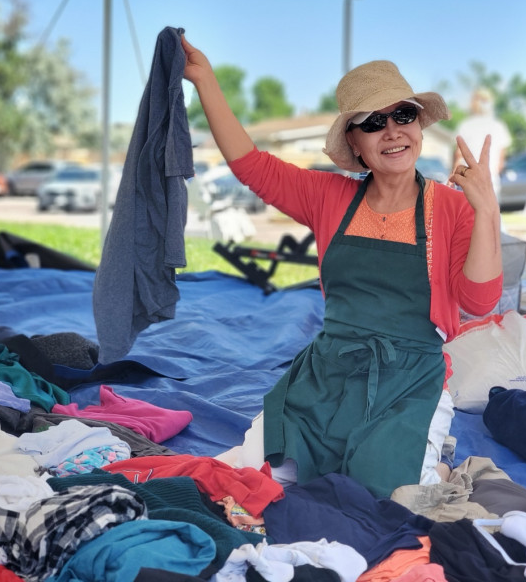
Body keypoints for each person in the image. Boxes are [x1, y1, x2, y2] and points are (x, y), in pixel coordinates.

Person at [182, 35, 503, 499]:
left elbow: (479, 301)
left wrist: (487, 211)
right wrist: (205, 80)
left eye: (403, 115)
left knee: (384, 497)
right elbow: (253, 167)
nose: (392, 131)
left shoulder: (454, 208)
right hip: (327, 373)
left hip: (410, 382)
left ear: (418, 124)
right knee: (253, 476)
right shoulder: (329, 196)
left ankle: (435, 462)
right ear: (354, 141)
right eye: (373, 123)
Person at [454, 88, 511, 199]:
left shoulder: (465, 125)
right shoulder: (499, 126)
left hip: (467, 182)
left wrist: (453, 177)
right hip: (490, 183)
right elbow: (501, 163)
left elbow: (458, 157)